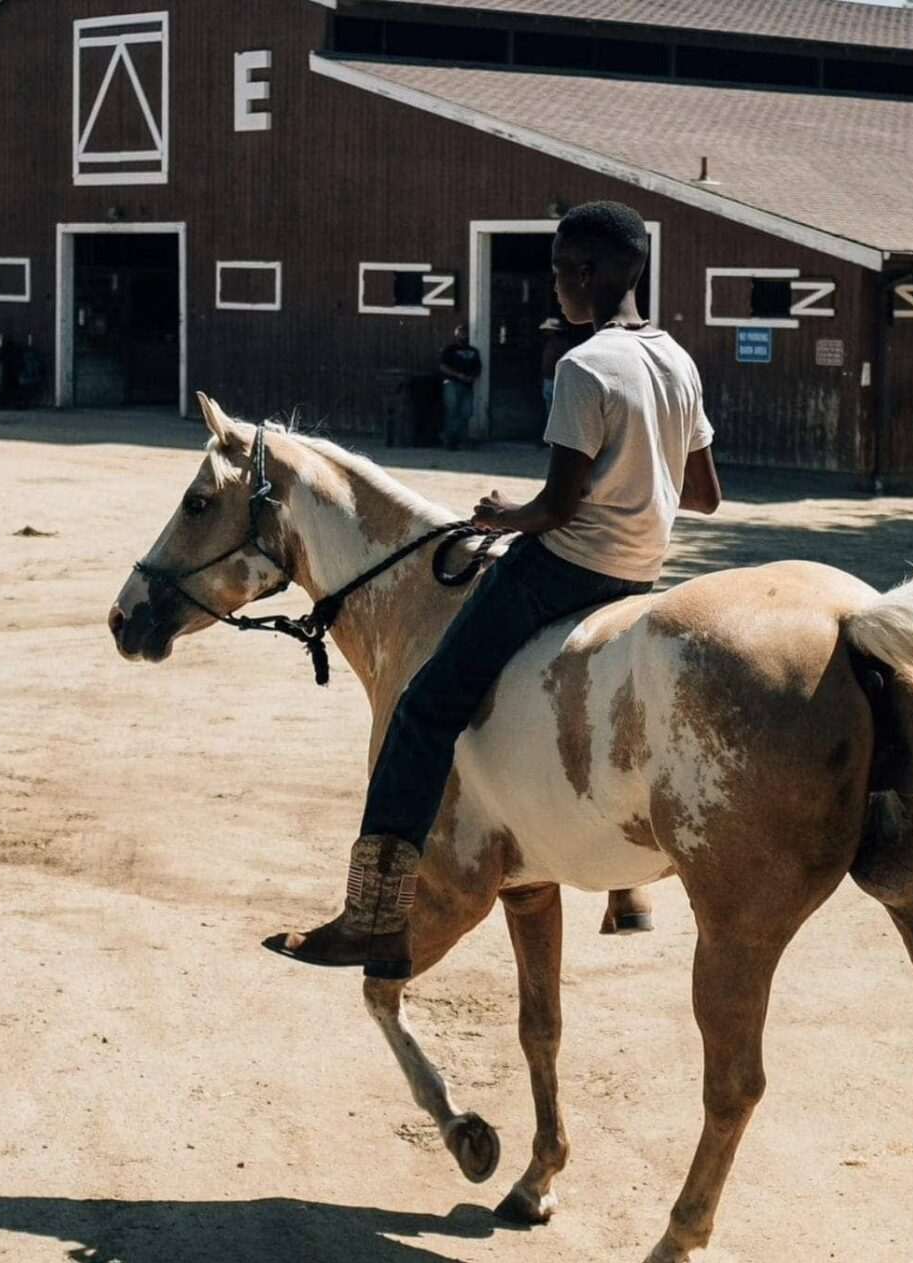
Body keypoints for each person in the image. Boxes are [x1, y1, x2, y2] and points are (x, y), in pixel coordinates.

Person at [265, 199, 723, 976]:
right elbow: (706, 494)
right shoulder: (676, 359)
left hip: (565, 569)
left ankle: (373, 915)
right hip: (641, 572)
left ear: (584, 273)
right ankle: (626, 893)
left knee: (423, 707)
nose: (553, 288)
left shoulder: (585, 368)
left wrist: (505, 516)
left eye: (556, 272)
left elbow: (557, 507)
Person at [437, 323, 481, 449]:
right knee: (452, 411)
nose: (463, 336)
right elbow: (443, 367)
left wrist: (472, 377)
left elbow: (478, 368)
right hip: (452, 383)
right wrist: (457, 375)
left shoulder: (474, 351)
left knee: (466, 412)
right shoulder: (449, 350)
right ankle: (450, 441)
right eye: (461, 333)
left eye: (465, 333)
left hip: (468, 385)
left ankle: (462, 440)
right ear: (456, 335)